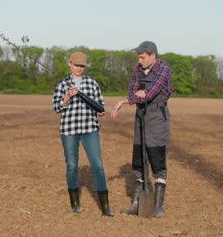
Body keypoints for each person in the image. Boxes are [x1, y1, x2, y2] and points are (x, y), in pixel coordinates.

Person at [110, 41, 172, 218]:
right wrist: (123, 101)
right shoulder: (138, 69)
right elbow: (132, 92)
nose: (139, 61)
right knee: (138, 157)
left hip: (157, 118)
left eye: (142, 57)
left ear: (152, 55)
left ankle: (158, 207)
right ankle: (137, 203)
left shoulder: (163, 68)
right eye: (138, 57)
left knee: (156, 157)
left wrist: (137, 95)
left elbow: (150, 92)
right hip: (140, 116)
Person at [52, 52, 114, 217]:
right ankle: (75, 203)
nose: (79, 68)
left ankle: (105, 207)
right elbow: (57, 107)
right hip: (69, 130)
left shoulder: (91, 82)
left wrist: (100, 111)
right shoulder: (62, 84)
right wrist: (67, 96)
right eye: (76, 65)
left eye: (82, 66)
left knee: (98, 166)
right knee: (72, 166)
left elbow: (100, 104)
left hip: (89, 129)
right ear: (70, 64)